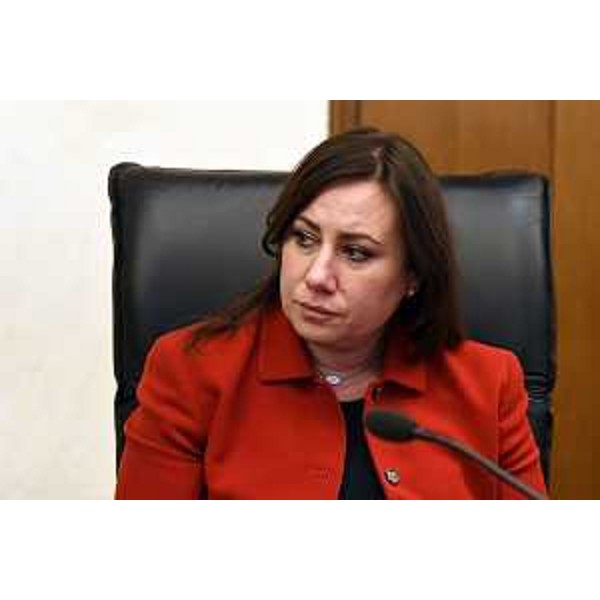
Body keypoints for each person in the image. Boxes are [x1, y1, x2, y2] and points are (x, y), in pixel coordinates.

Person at [115, 127, 547, 500]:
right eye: (304, 238)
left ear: (413, 275)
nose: (317, 276)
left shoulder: (489, 384)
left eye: (355, 253)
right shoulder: (189, 372)